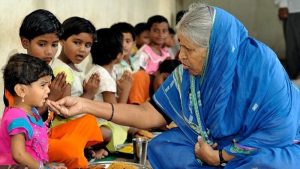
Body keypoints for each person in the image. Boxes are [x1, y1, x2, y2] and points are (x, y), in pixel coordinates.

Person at [47, 3, 300, 169]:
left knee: (268, 164)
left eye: (189, 49)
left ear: (215, 50)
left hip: (266, 144)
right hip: (213, 143)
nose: (181, 57)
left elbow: (279, 129)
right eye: (181, 47)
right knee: (163, 147)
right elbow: (149, 113)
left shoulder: (261, 65)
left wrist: (220, 157)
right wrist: (85, 104)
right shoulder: (189, 73)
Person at [48, 16, 103, 168]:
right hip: (60, 128)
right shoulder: (62, 70)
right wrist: (90, 93)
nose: (82, 49)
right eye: (77, 42)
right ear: (62, 40)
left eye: (88, 45)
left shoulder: (73, 68)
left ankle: (82, 149)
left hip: (71, 126)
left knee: (92, 121)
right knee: (96, 126)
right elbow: (64, 110)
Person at [0, 53, 65, 169]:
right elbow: (19, 155)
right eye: (43, 85)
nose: (48, 90)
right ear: (21, 90)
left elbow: (33, 149)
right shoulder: (16, 118)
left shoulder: (32, 111)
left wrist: (47, 165)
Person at [4, 9, 67, 122]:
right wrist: (52, 97)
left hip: (45, 131)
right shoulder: (19, 72)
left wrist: (63, 95)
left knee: (87, 123)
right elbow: (20, 118)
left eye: (54, 45)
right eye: (42, 44)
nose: (49, 52)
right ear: (25, 42)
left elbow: (60, 113)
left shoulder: (47, 71)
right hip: (24, 135)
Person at [274, 0, 300, 79]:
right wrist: (283, 4)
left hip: (294, 10)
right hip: (292, 10)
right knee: (292, 49)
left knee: (292, 48)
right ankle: (294, 77)